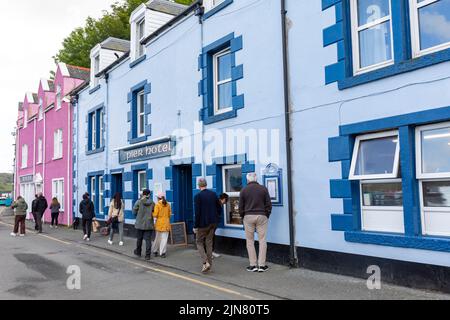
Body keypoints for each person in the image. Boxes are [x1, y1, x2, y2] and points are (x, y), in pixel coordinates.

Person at [239, 172, 272, 273]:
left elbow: (240, 207)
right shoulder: (263, 189)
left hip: (248, 216)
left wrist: (242, 216)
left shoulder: (243, 190)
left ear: (248, 179)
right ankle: (262, 265)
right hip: (262, 215)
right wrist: (266, 215)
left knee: (250, 241)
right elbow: (268, 205)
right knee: (262, 240)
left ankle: (253, 265)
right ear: (256, 179)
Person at [194, 178, 221, 274]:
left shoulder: (198, 196)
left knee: (199, 242)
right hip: (213, 223)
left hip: (202, 224)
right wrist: (217, 218)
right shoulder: (213, 194)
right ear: (206, 184)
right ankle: (209, 265)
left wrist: (195, 226)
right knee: (209, 243)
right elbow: (219, 207)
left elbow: (197, 213)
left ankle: (205, 262)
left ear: (198, 186)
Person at [133, 189, 155, 260]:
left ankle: (138, 252)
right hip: (149, 223)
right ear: (149, 194)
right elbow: (154, 212)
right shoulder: (152, 203)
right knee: (148, 240)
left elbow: (134, 211)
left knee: (139, 239)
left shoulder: (139, 201)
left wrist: (138, 216)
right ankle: (147, 255)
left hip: (140, 223)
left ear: (143, 194)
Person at [152, 192, 172, 258]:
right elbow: (169, 214)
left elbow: (155, 215)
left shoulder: (157, 204)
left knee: (157, 238)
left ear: (158, 198)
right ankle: (162, 253)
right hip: (166, 223)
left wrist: (152, 213)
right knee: (164, 239)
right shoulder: (168, 204)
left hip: (159, 223)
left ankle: (155, 251)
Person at [211, 193, 229, 259]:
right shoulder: (217, 203)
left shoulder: (218, 203)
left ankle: (212, 252)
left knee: (213, 237)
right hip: (212, 223)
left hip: (214, 222)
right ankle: (209, 253)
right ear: (224, 199)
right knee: (210, 237)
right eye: (226, 200)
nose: (226, 202)